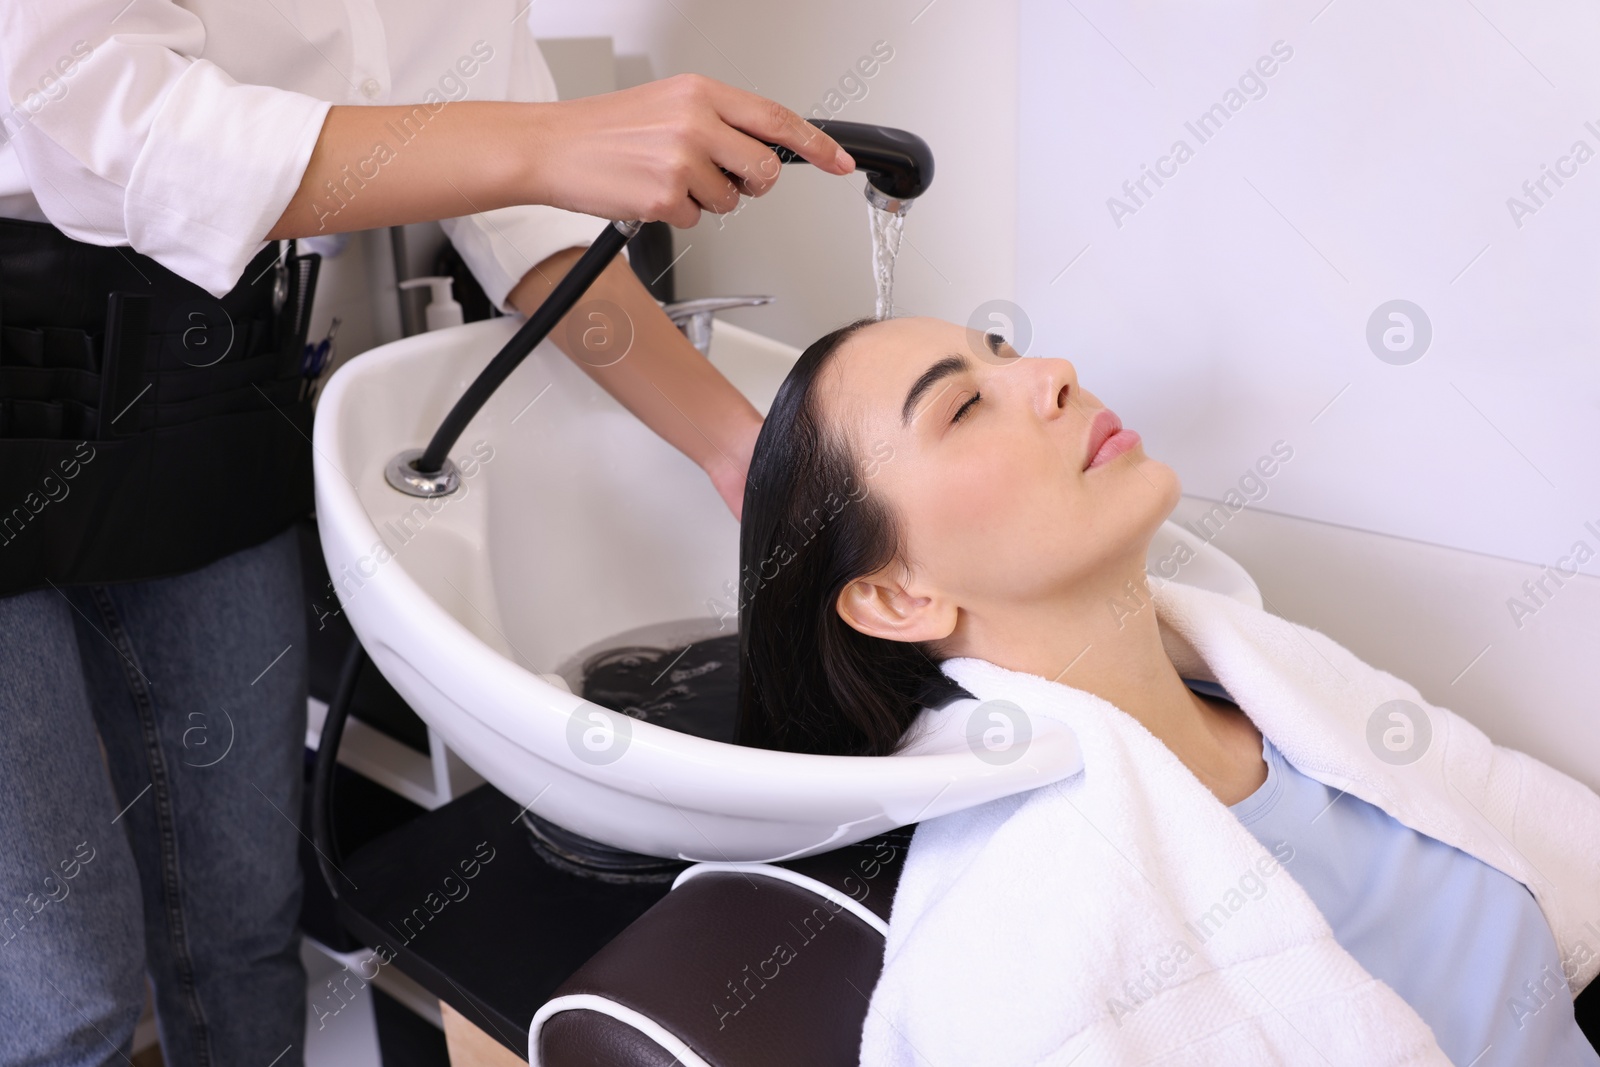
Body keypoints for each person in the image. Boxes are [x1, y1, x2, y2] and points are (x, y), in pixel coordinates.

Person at [0, 1, 853, 1062]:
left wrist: (741, 451)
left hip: (204, 375)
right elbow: (90, 116)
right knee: (67, 1004)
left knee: (242, 928)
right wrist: (550, 142)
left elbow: (530, 230)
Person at [734, 315, 1600, 1064]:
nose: (1053, 374)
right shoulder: (1017, 937)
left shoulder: (1299, 699)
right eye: (963, 406)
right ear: (897, 595)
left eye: (1006, 351)